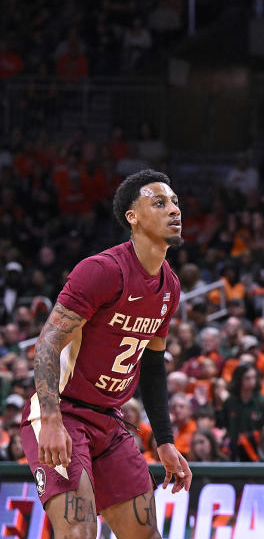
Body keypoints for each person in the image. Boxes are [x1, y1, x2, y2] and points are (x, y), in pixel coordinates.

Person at [21, 169, 192, 538]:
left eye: (175, 202)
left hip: (110, 421)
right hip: (62, 411)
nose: (174, 210)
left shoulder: (170, 287)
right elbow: (48, 341)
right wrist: (50, 419)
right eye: (160, 203)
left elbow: (152, 367)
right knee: (80, 532)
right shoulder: (102, 270)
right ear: (133, 217)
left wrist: (164, 441)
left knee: (146, 535)